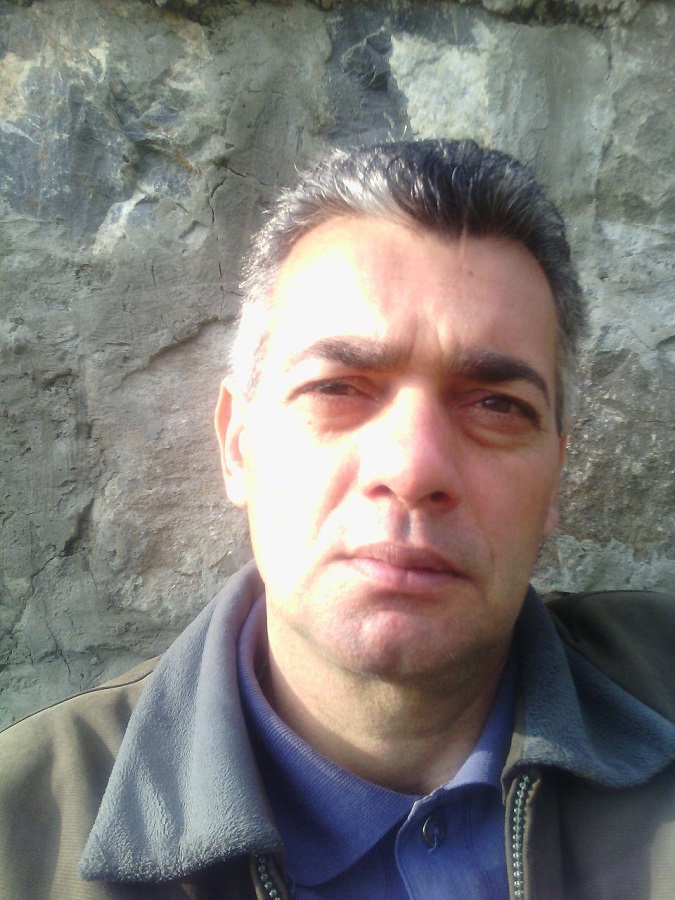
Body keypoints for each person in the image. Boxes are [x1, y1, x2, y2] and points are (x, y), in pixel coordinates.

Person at [1, 139, 674, 900]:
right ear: (236, 444)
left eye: (495, 404)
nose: (413, 469)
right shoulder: (23, 837)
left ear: (555, 470)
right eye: (336, 388)